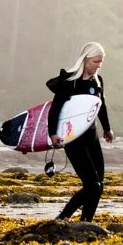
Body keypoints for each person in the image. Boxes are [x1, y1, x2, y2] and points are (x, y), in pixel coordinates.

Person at [49, 41, 114, 222]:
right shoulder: (71, 82)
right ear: (85, 59)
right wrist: (53, 133)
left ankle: (86, 222)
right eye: (95, 61)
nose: (98, 66)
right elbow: (55, 109)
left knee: (98, 185)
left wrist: (107, 128)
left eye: (101, 62)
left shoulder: (98, 81)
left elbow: (101, 106)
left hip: (91, 138)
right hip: (73, 139)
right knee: (92, 185)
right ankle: (62, 218)